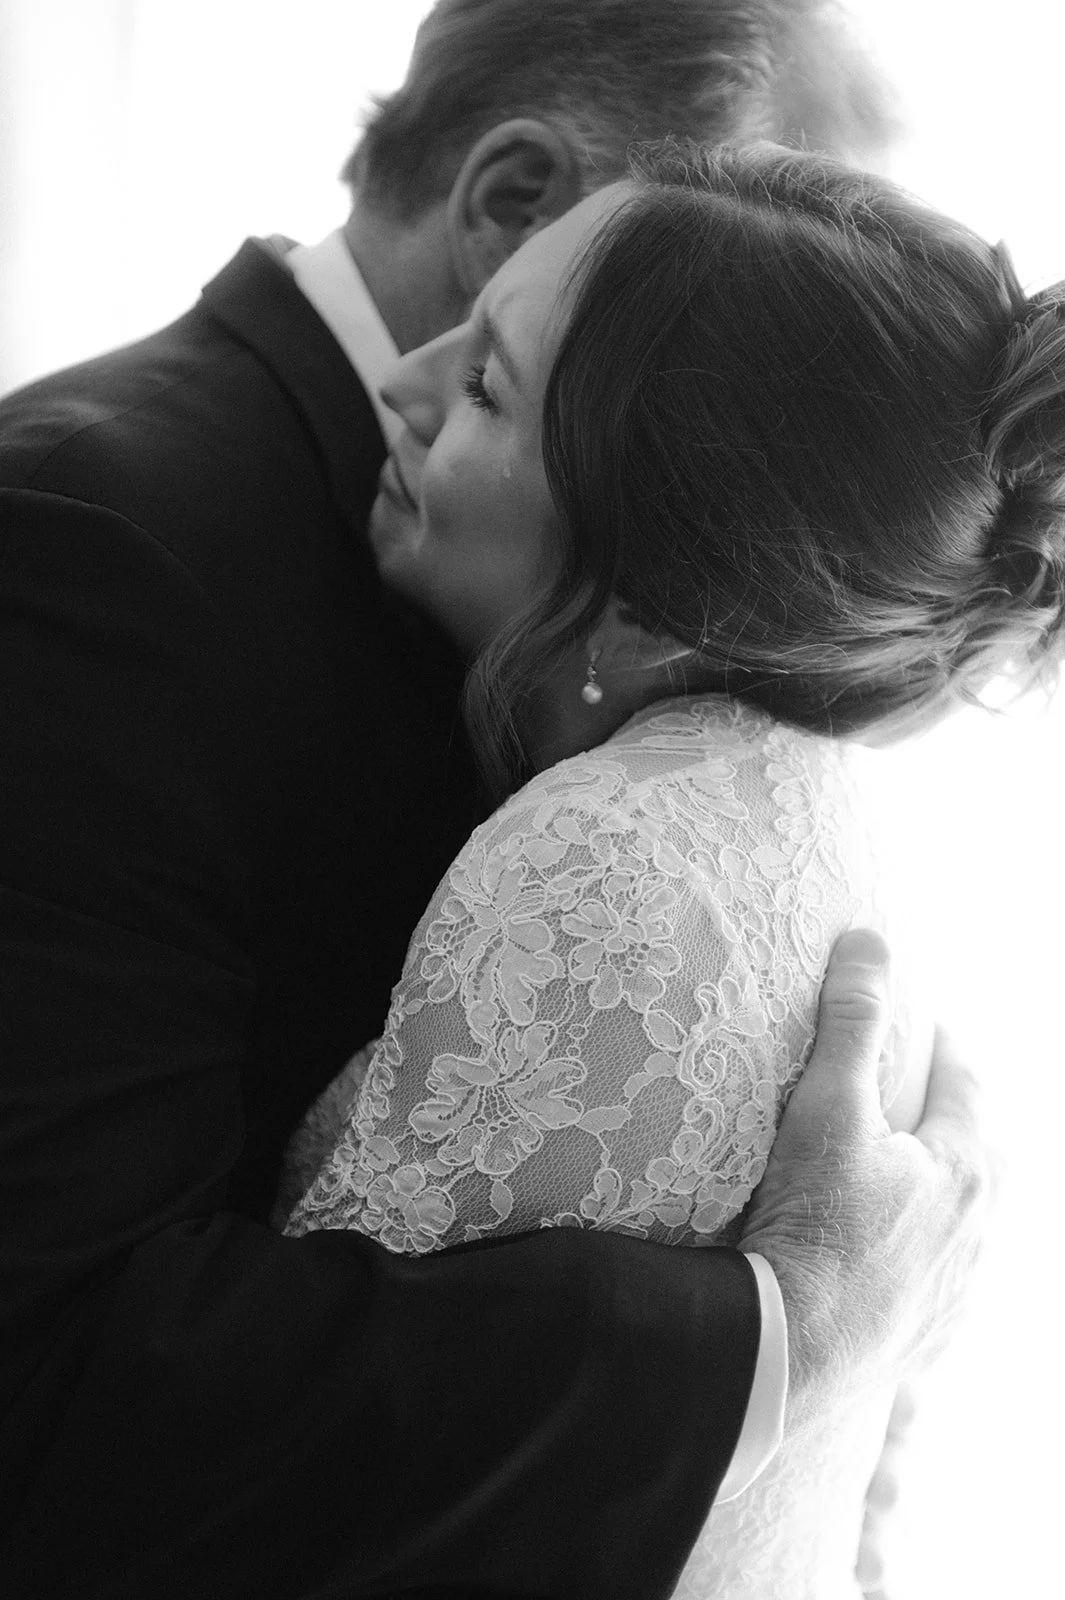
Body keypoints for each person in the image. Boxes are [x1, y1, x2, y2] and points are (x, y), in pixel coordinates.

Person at [0, 3, 987, 1596]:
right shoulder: (89, 541)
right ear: (521, 200)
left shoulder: (676, 714)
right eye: (751, 253)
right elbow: (49, 1372)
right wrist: (782, 1330)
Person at [283, 141, 1062, 1597]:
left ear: (649, 603)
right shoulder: (828, 808)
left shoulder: (603, 862)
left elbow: (303, 1471)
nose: (406, 379)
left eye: (490, 386)